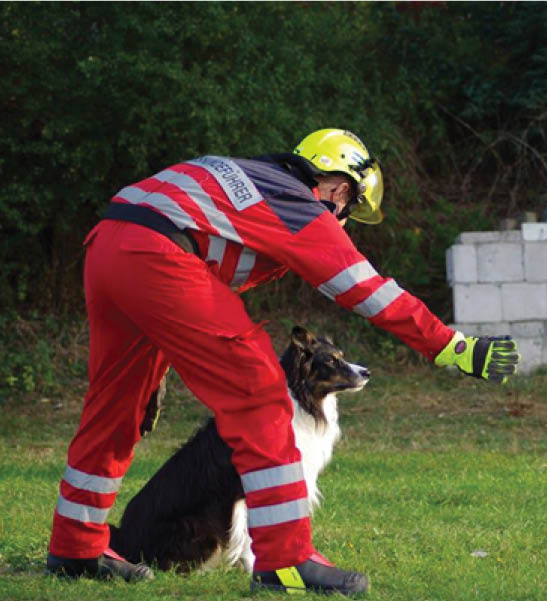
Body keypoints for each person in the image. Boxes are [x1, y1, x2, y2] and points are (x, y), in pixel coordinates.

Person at [45, 129, 519, 596]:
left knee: (115, 407)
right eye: (347, 209)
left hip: (109, 243)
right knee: (262, 396)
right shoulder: (299, 205)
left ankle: (76, 546)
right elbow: (364, 288)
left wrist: (157, 363)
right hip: (159, 257)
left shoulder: (248, 177)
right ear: (338, 187)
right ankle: (284, 562)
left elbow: (178, 241)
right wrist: (452, 346)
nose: (342, 219)